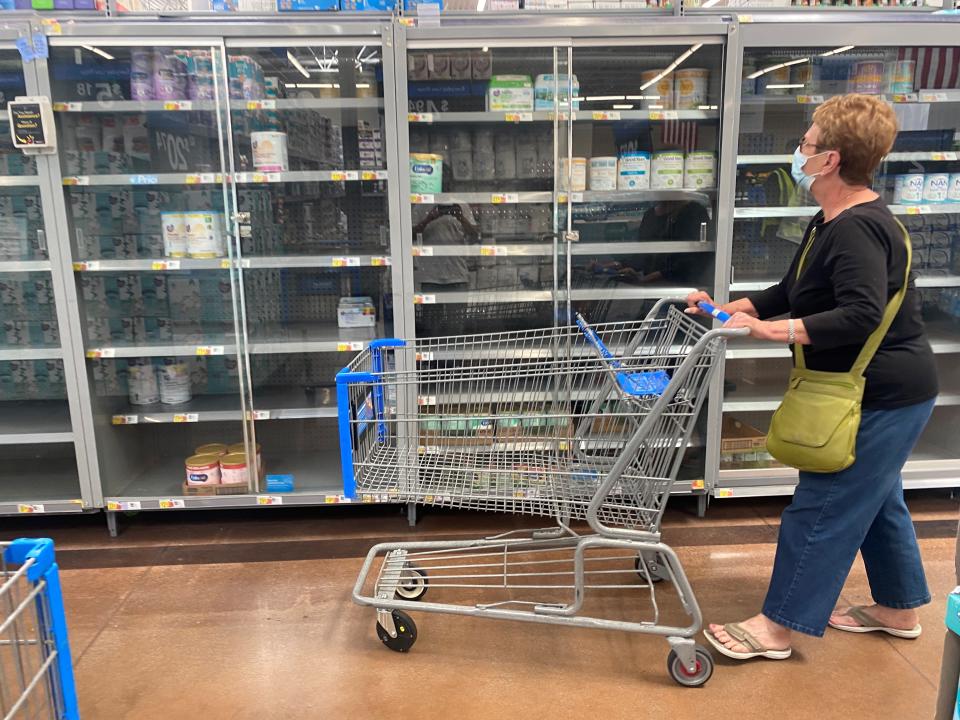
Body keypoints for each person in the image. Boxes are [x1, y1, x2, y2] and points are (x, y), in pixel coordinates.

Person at [687, 94, 939, 661]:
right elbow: (790, 292)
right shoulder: (829, 221)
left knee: (822, 504)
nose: (798, 151)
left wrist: (776, 334)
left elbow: (861, 313)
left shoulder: (858, 229)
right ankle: (898, 608)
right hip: (883, 391)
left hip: (878, 394)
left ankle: (779, 628)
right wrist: (730, 310)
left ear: (829, 160)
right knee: (878, 498)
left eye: (806, 142)